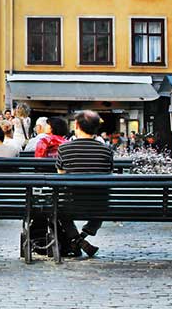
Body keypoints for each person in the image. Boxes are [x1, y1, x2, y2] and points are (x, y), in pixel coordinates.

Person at [55, 111, 115, 258]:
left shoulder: (64, 149)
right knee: (102, 203)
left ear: (76, 125)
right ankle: (83, 235)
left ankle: (76, 239)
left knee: (59, 208)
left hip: (71, 203)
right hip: (98, 205)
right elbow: (109, 174)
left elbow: (60, 174)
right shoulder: (106, 151)